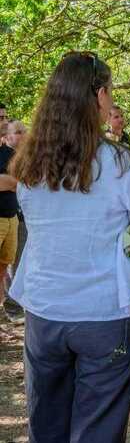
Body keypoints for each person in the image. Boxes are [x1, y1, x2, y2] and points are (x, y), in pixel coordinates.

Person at [8, 51, 130, 443]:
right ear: (100, 95)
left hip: (44, 310)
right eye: (110, 92)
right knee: (98, 429)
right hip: (105, 311)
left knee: (48, 423)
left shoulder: (29, 166)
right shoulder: (121, 163)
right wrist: (118, 253)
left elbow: (39, 230)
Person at [2, 120, 27, 324]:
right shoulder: (5, 154)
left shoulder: (21, 156)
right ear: (8, 136)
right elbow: (12, 183)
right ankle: (12, 307)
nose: (23, 136)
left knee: (14, 265)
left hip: (20, 217)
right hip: (7, 217)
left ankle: (15, 305)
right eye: (17, 132)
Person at [0, 119, 19, 318]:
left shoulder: (10, 153)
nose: (4, 122)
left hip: (12, 218)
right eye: (0, 118)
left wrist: (8, 181)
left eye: (5, 117)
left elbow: (18, 181)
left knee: (3, 269)